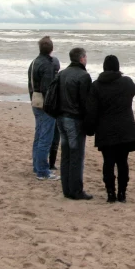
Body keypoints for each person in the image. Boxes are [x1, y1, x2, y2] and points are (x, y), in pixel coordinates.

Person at [85, 55, 135, 203]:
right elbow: (134, 90)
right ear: (118, 67)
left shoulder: (96, 85)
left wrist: (89, 129)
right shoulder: (126, 82)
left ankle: (111, 193)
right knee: (123, 162)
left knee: (108, 162)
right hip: (125, 128)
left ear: (104, 67)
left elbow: (92, 110)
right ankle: (122, 193)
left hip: (105, 129)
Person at [57, 47, 93, 200]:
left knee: (66, 154)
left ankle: (67, 189)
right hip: (74, 118)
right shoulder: (83, 76)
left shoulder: (61, 74)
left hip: (61, 117)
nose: (86, 59)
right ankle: (76, 191)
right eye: (85, 57)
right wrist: (89, 122)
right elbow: (86, 102)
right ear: (81, 59)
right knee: (76, 155)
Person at [27, 36, 60, 181]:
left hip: (35, 100)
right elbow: (48, 88)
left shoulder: (34, 62)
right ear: (51, 49)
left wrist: (32, 98)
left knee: (39, 135)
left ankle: (37, 166)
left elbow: (31, 84)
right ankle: (42, 171)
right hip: (45, 104)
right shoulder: (48, 64)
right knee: (45, 138)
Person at [49, 56, 61, 171]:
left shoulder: (54, 77)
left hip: (51, 110)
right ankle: (51, 163)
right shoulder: (58, 78)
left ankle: (51, 163)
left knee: (53, 138)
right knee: (55, 138)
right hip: (56, 111)